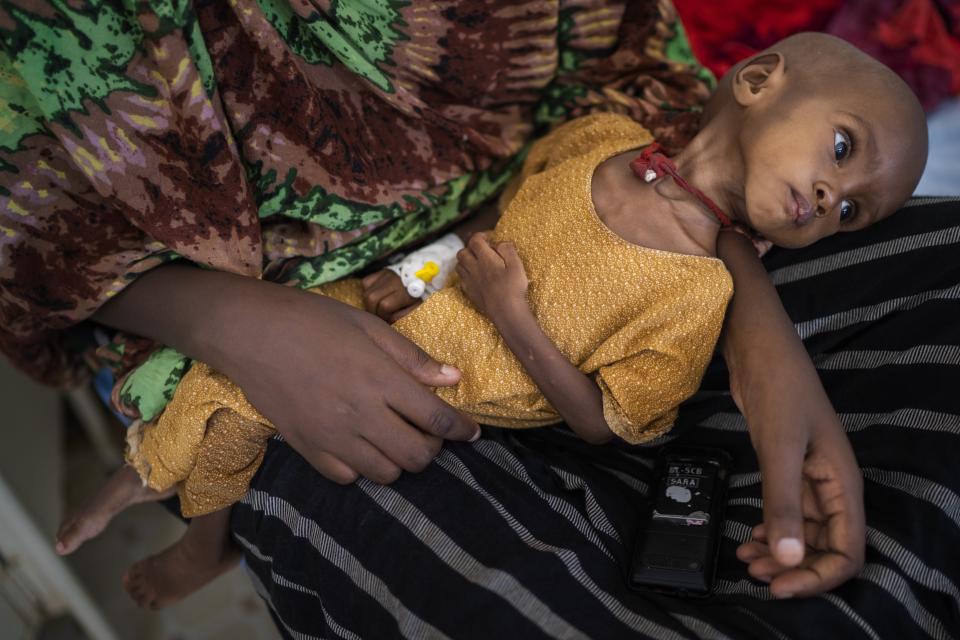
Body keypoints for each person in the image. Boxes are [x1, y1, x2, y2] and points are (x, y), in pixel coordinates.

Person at [50, 30, 927, 612]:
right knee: (232, 365)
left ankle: (199, 536)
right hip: (419, 302)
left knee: (238, 407)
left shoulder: (699, 294)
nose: (828, 196)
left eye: (850, 212)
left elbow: (606, 421)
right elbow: (502, 216)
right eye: (842, 150)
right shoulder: (603, 138)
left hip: (456, 379)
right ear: (758, 79)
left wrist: (515, 318)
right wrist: (413, 269)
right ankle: (152, 470)